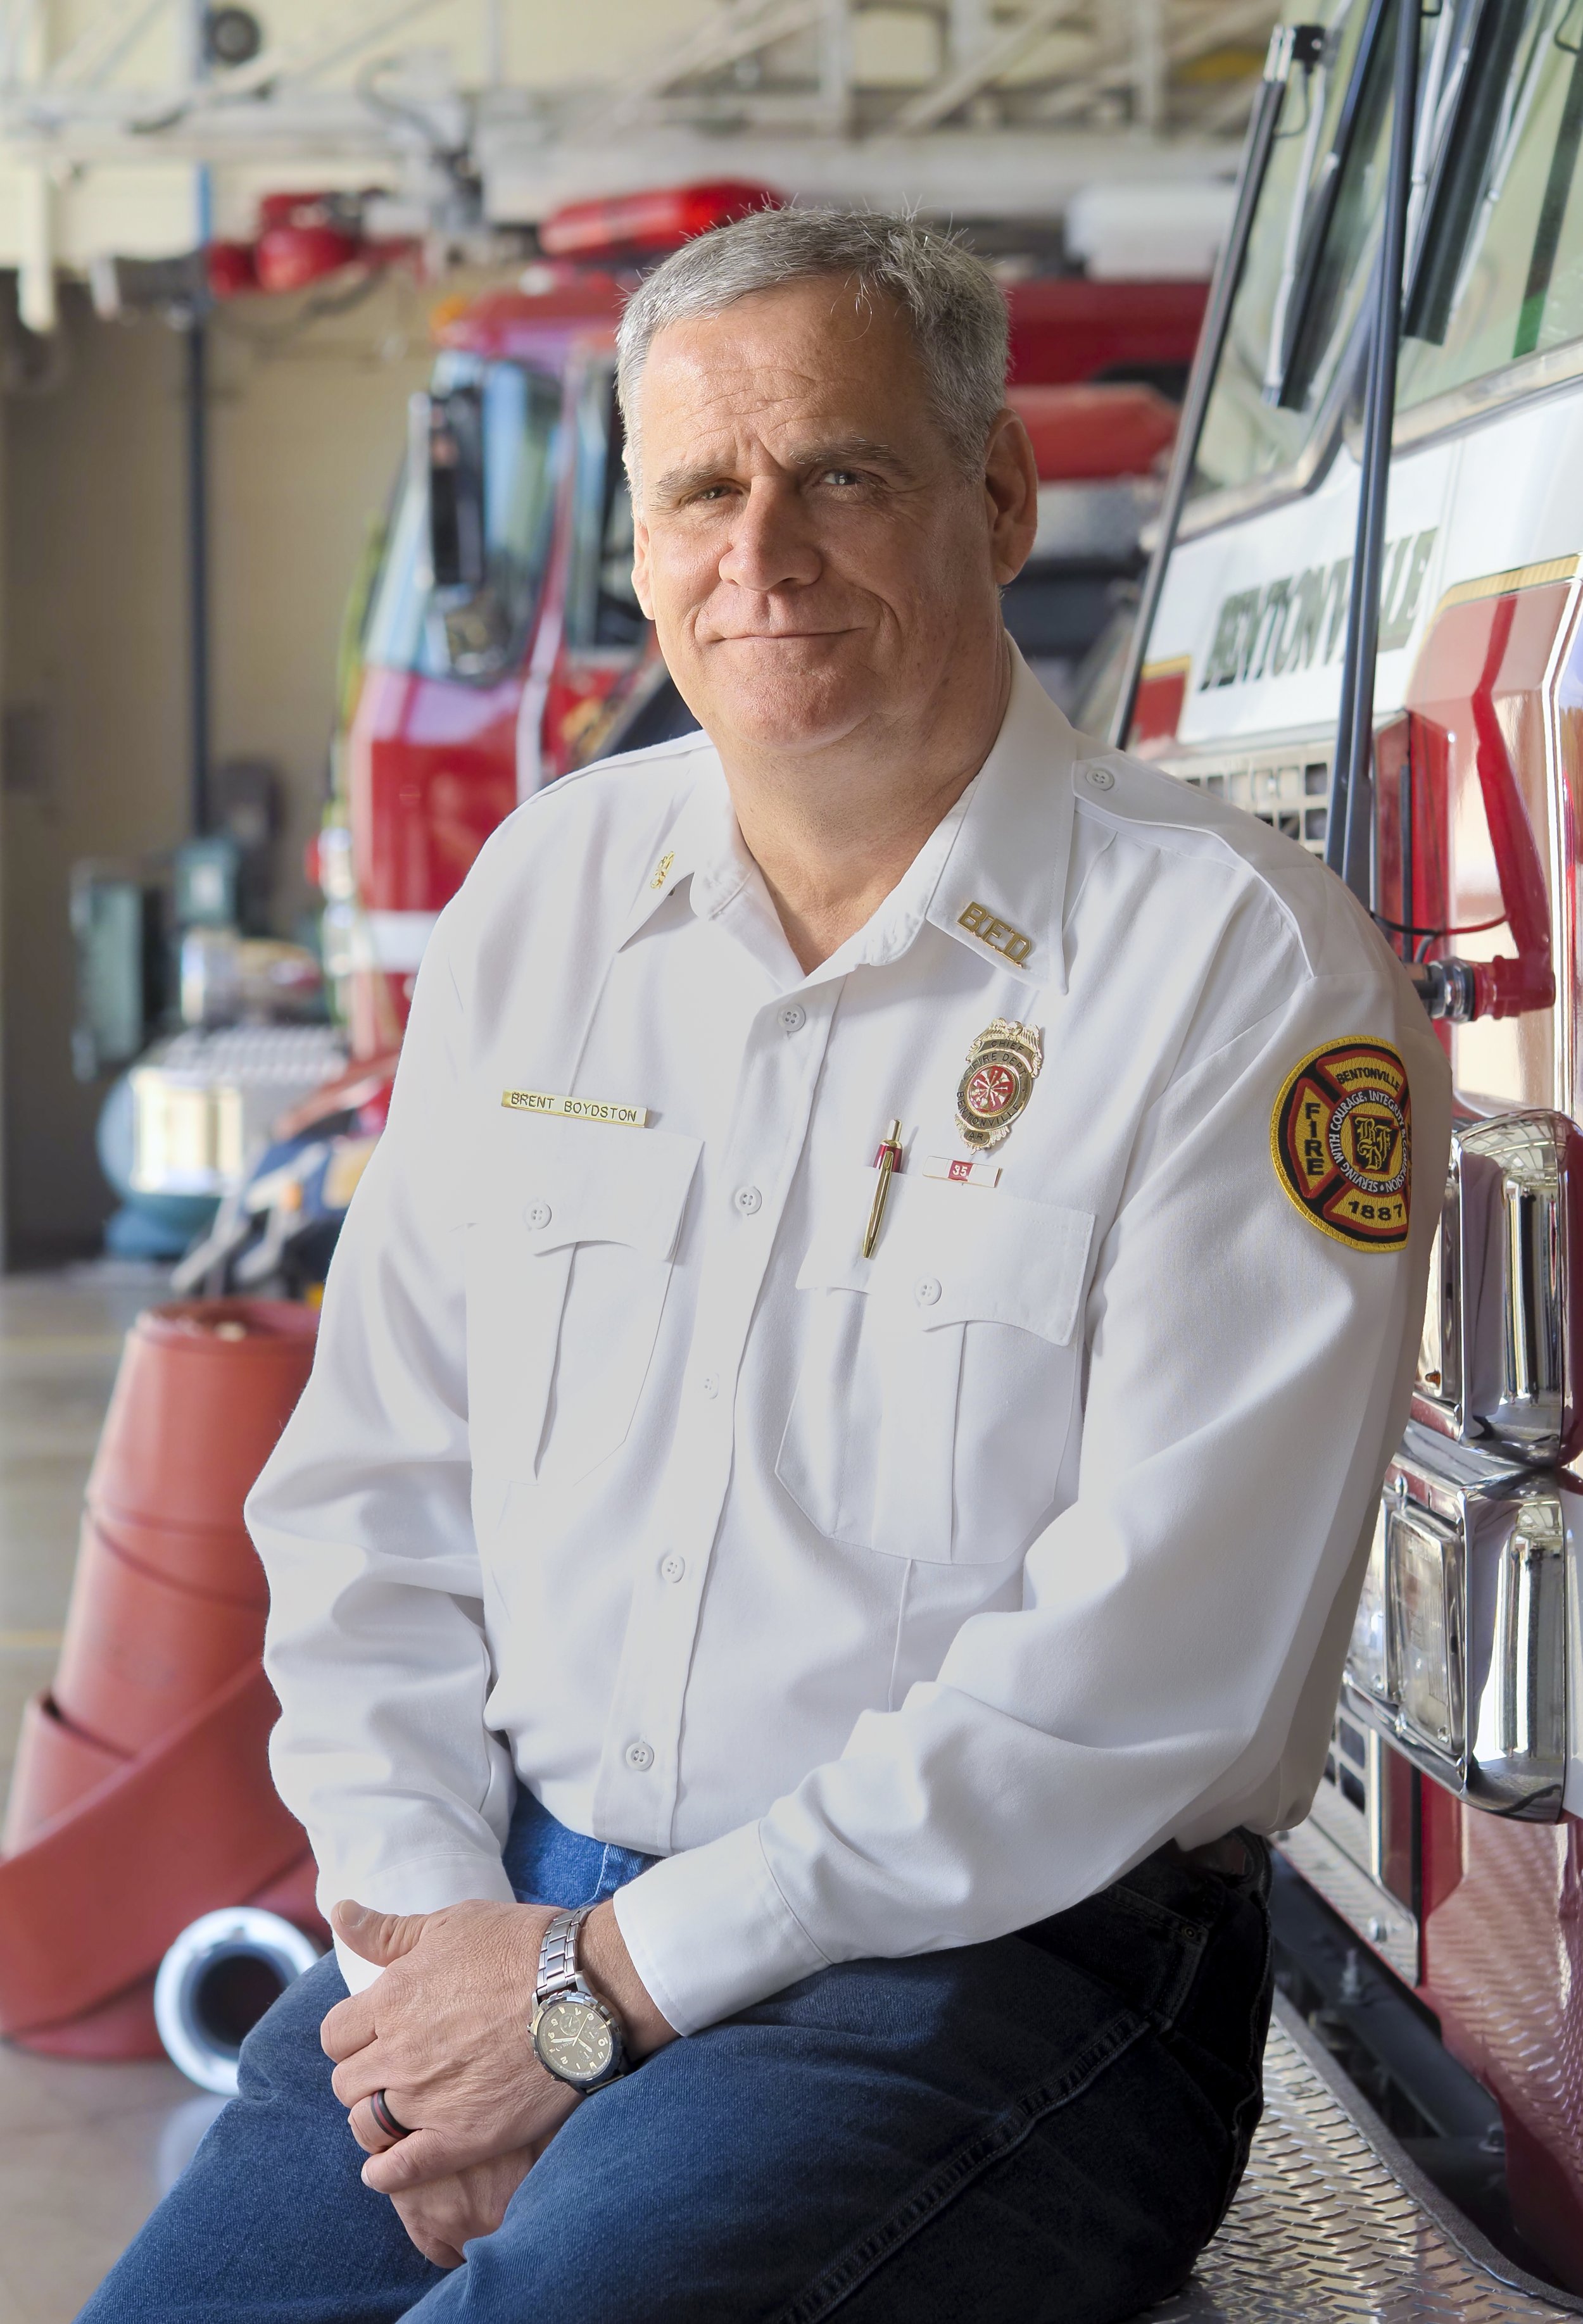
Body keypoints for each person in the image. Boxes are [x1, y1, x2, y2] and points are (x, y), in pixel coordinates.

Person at [79, 207, 1449, 2324]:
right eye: (703, 488)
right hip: (508, 1908)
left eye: (846, 473)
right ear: (639, 536)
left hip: (983, 1971)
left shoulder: (1237, 971)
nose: (763, 549)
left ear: (992, 500)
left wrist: (596, 1997)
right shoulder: (545, 899)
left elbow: (1150, 1661)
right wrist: (452, 1959)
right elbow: (372, 1505)